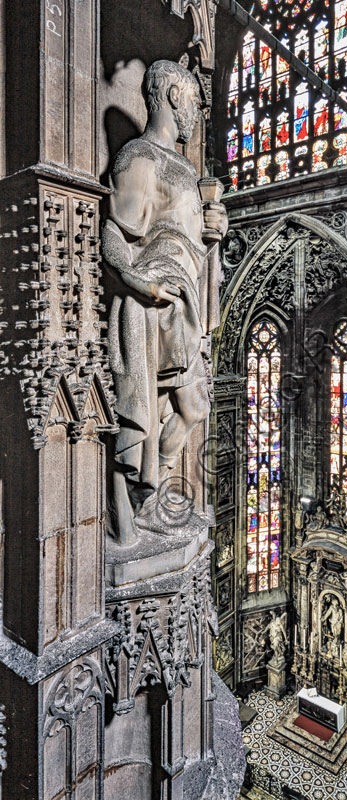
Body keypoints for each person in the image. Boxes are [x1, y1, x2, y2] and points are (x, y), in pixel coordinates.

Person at [102, 59, 227, 543]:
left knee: (194, 407)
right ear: (174, 96)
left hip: (185, 305)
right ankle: (136, 507)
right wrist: (138, 283)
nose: (197, 114)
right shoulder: (140, 158)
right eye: (195, 102)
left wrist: (213, 230)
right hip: (153, 306)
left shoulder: (185, 168)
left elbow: (190, 239)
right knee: (144, 416)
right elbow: (115, 235)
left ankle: (147, 496)